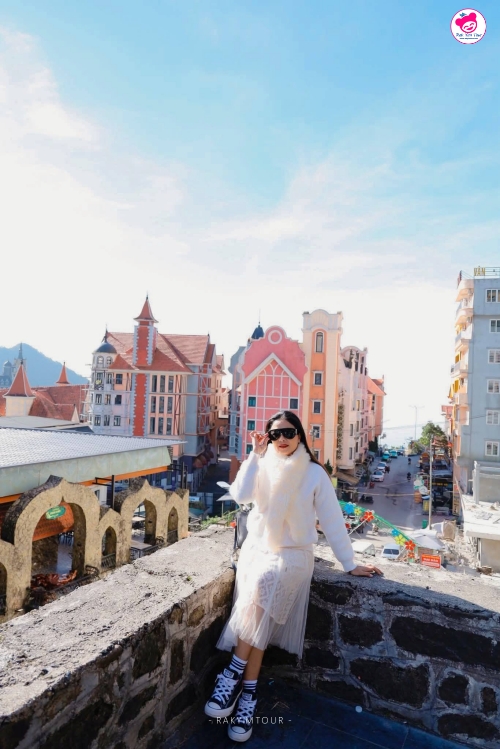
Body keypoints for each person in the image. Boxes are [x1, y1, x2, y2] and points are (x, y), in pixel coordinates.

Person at [204, 411, 382, 742]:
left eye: (288, 432)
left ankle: (232, 673)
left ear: (299, 435)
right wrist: (254, 456)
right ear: (268, 438)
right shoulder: (262, 465)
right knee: (260, 616)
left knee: (262, 588)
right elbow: (241, 496)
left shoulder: (314, 473)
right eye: (275, 434)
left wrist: (348, 563)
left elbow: (331, 518)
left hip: (294, 554)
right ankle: (248, 694)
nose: (282, 439)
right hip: (258, 550)